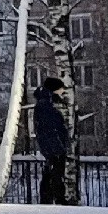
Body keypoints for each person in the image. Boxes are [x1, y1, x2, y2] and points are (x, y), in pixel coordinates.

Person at [32, 76, 71, 206]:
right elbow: (50, 127)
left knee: (51, 172)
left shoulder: (45, 102)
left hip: (51, 145)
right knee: (55, 173)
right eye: (60, 89)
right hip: (54, 146)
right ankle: (57, 198)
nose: (62, 91)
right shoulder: (46, 105)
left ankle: (49, 199)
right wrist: (59, 146)